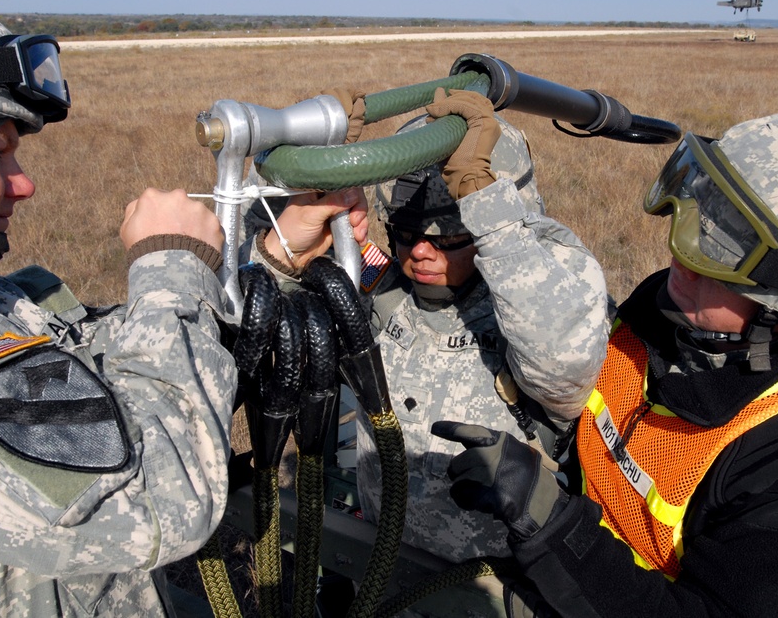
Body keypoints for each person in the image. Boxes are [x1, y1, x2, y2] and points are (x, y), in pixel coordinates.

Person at [433, 110, 778, 617]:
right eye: (704, 216)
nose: (682, 255)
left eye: (723, 250)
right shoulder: (671, 319)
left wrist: (549, 519)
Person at [0, 0, 236, 617]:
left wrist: (270, 257)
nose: (22, 186)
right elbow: (159, 500)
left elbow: (93, 369)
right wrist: (170, 269)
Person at [249, 88, 609, 568]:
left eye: (451, 238)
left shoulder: (545, 284)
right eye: (405, 233)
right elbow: (259, 325)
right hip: (383, 564)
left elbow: (563, 372)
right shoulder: (384, 287)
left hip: (494, 586)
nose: (420, 252)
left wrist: (488, 212)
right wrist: (310, 189)